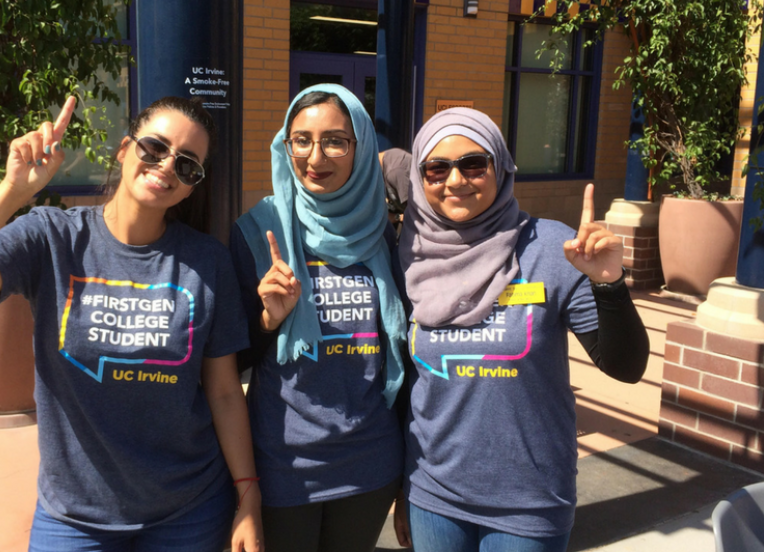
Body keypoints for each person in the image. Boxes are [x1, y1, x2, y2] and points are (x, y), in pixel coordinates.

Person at [0, 96, 263, 552]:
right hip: (75, 516)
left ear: (193, 185)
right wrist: (13, 192)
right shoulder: (52, 237)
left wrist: (248, 496)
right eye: (155, 147)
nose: (168, 166)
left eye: (188, 165)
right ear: (124, 149)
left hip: (188, 509)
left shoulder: (206, 260)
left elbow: (225, 391)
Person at [392, 107, 650, 552]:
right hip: (433, 493)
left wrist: (609, 284)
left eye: (473, 164)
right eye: (437, 169)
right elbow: (404, 384)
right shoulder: (409, 258)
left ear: (501, 167)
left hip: (529, 501)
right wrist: (402, 486)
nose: (455, 181)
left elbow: (626, 367)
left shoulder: (549, 247)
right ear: (420, 179)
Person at [229, 83, 407, 552]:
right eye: (301, 139)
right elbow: (230, 361)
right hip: (284, 462)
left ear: (360, 146)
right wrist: (269, 320)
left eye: (335, 140)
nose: (315, 156)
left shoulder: (385, 237)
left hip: (369, 464)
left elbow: (405, 360)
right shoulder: (256, 231)